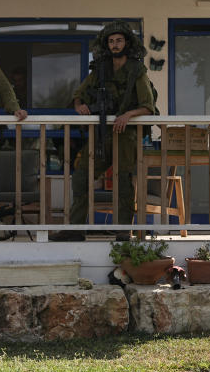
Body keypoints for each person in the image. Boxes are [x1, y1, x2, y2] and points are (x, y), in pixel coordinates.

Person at [55, 22, 156, 242]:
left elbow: (148, 107)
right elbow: (78, 94)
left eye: (119, 40)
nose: (115, 45)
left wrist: (127, 115)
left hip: (126, 135)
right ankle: (75, 229)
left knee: (122, 181)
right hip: (100, 135)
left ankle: (122, 230)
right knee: (81, 176)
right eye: (111, 41)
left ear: (126, 43)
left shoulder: (136, 71)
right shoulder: (100, 69)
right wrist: (79, 105)